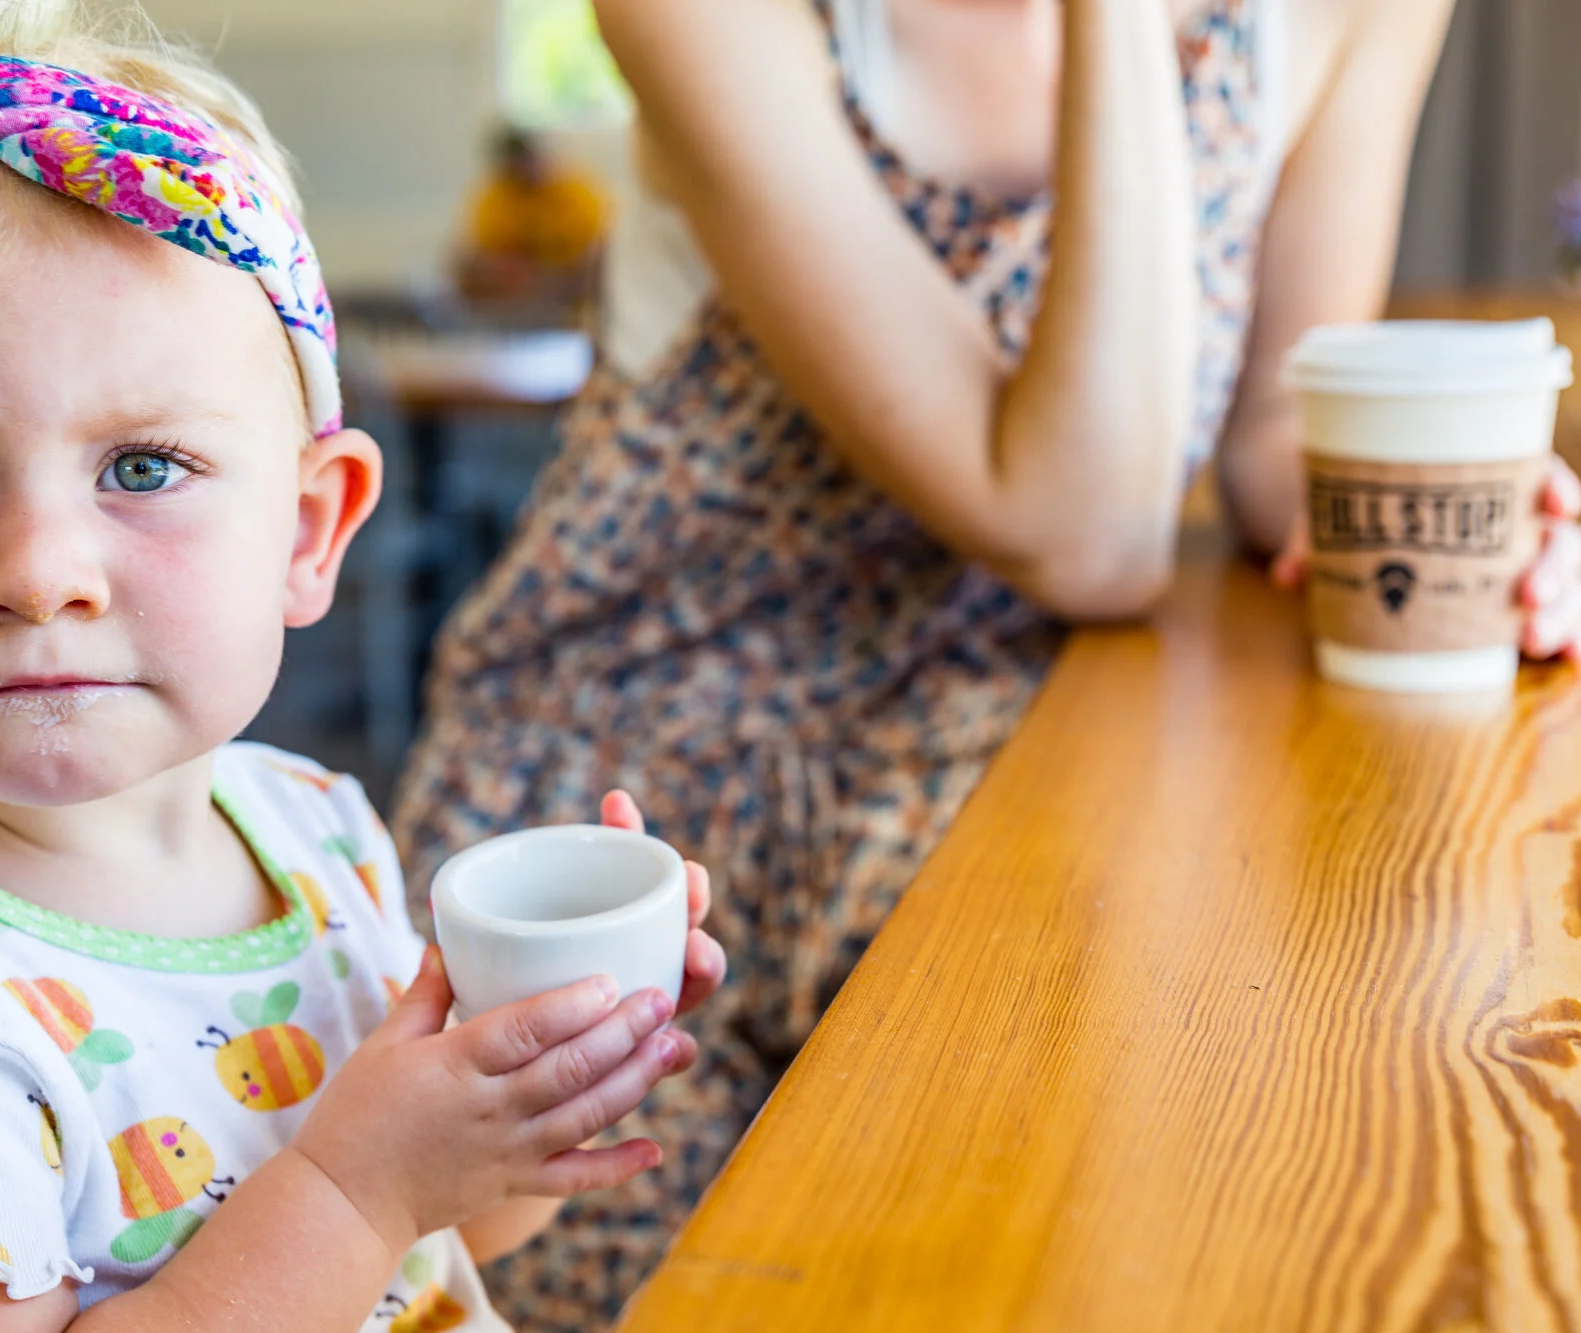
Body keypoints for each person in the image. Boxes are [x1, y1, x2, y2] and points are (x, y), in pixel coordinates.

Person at [392, 0, 1581, 1327]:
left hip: (1002, 792)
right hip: (622, 805)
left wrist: (1444, 508)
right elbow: (1091, 536)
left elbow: (1269, 433)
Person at [0, 11, 724, 1331]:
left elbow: (447, 1230)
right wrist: (354, 1189)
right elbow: (373, 1210)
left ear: (307, 533)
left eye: (141, 468)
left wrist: (533, 1082)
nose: (42, 572)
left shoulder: (307, 823)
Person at [453, 126, 609, 312]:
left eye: (530, 160)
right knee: (466, 268)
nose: (526, 170)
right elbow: (483, 256)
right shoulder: (496, 197)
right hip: (523, 289)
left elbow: (599, 247)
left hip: (570, 283)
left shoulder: (576, 191)